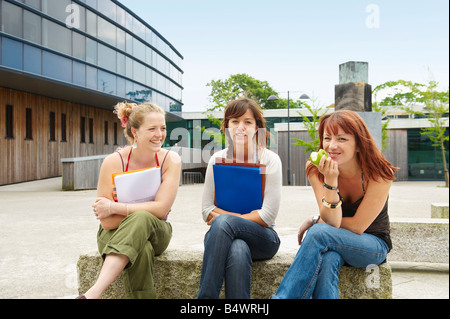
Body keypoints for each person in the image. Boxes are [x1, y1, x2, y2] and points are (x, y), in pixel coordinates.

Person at [272, 109, 398, 299]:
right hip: (334, 240)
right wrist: (331, 181)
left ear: (358, 144)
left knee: (317, 233)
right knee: (328, 258)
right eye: (327, 138)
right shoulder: (315, 169)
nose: (331, 146)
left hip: (372, 244)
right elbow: (331, 222)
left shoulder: (379, 173)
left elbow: (356, 226)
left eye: (342, 139)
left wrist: (316, 220)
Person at [77, 102, 181, 299]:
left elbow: (161, 210)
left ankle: (94, 293)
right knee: (142, 247)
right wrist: (147, 210)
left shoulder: (171, 160)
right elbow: (106, 222)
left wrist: (114, 207)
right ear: (135, 131)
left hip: (157, 231)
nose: (159, 134)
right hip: (112, 235)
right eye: (152, 129)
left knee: (142, 219)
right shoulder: (113, 162)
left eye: (163, 128)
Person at [197, 97, 282, 299]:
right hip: (223, 237)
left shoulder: (270, 160)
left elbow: (267, 216)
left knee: (225, 223)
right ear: (226, 126)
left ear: (257, 127)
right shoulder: (216, 160)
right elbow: (206, 210)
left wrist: (225, 219)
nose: (240, 127)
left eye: (247, 122)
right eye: (234, 121)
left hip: (263, 237)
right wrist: (230, 222)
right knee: (237, 248)